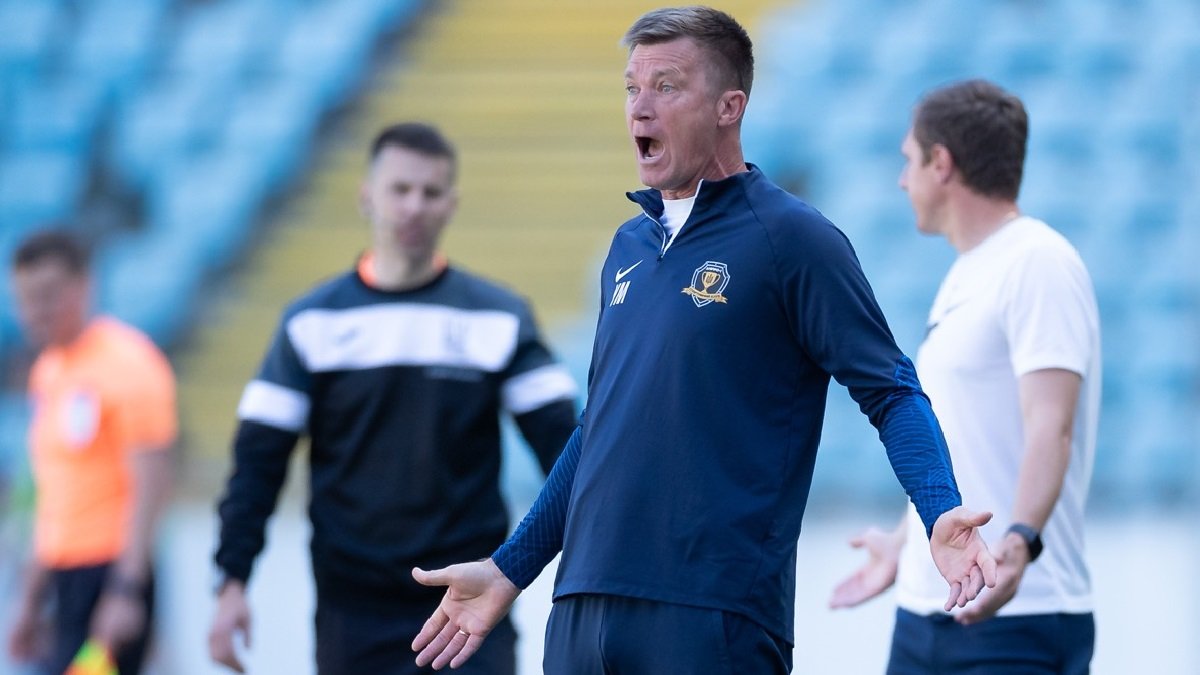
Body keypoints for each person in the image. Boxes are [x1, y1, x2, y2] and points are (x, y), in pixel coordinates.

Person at [410, 8, 997, 673]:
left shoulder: (793, 239)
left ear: (729, 107)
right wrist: (510, 568)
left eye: (666, 87)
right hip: (581, 607)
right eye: (632, 87)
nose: (640, 107)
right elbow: (598, 429)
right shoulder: (627, 247)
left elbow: (890, 390)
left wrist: (939, 509)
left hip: (711, 612)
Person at [207, 122, 579, 675]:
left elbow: (567, 448)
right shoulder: (312, 323)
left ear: (451, 204)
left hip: (467, 608)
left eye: (431, 192)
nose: (414, 206)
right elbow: (258, 463)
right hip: (352, 615)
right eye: (400, 189)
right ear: (367, 196)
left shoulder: (498, 318)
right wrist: (231, 580)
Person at [829, 79, 1101, 673]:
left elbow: (1051, 425)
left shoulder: (1038, 262)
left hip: (1018, 615)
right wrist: (903, 544)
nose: (902, 180)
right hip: (926, 611)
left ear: (942, 163)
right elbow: (966, 432)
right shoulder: (967, 273)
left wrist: (1019, 544)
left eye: (909, 160)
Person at [6, 230, 176, 675]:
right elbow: (54, 495)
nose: (36, 311)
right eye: (26, 299)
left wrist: (125, 590)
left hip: (109, 573)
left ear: (85, 285)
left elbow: (151, 486)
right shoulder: (49, 370)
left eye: (48, 295)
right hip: (62, 579)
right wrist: (31, 598)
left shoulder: (129, 365)